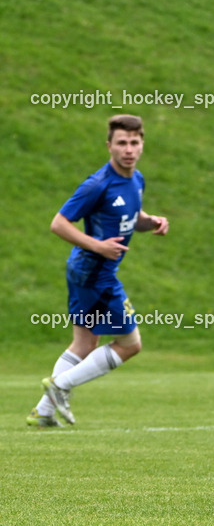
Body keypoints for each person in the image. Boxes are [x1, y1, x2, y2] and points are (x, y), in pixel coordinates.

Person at [27, 114, 169, 428]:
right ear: (109, 146)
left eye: (134, 142)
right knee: (130, 345)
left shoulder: (136, 180)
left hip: (85, 271)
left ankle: (43, 412)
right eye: (122, 143)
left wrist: (153, 221)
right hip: (95, 274)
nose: (128, 149)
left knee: (84, 344)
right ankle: (61, 386)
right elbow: (58, 223)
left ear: (142, 144)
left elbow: (134, 217)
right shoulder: (98, 184)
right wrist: (98, 245)